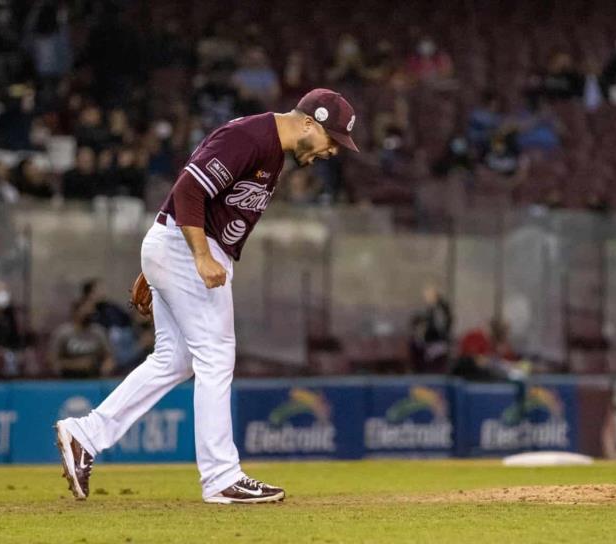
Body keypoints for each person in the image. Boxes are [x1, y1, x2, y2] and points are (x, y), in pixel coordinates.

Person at [55, 88, 359, 504]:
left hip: (177, 245)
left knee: (174, 361)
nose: (333, 151)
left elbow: (192, 197)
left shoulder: (272, 150)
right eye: (333, 140)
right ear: (309, 123)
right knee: (216, 356)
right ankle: (220, 476)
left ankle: (85, 434)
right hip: (190, 248)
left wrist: (158, 264)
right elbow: (187, 191)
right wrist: (196, 256)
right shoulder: (252, 137)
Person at [48, 299, 114, 378]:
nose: (90, 313)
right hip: (68, 379)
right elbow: (52, 361)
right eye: (86, 310)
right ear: (76, 312)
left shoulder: (98, 332)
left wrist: (107, 366)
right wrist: (76, 364)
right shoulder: (63, 333)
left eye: (91, 311)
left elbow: (109, 356)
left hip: (94, 377)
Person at [409, 284, 453, 373]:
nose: (426, 298)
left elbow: (442, 327)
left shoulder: (439, 310)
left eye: (428, 295)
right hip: (432, 346)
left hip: (437, 346)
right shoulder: (432, 310)